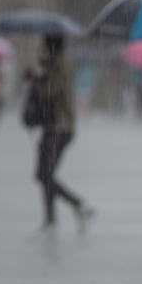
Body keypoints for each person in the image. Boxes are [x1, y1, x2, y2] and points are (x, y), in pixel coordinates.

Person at [30, 35, 93, 233]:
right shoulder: (57, 64)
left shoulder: (60, 65)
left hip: (59, 126)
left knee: (44, 174)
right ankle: (51, 218)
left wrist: (37, 79)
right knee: (46, 174)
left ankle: (77, 205)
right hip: (58, 126)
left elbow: (50, 91)